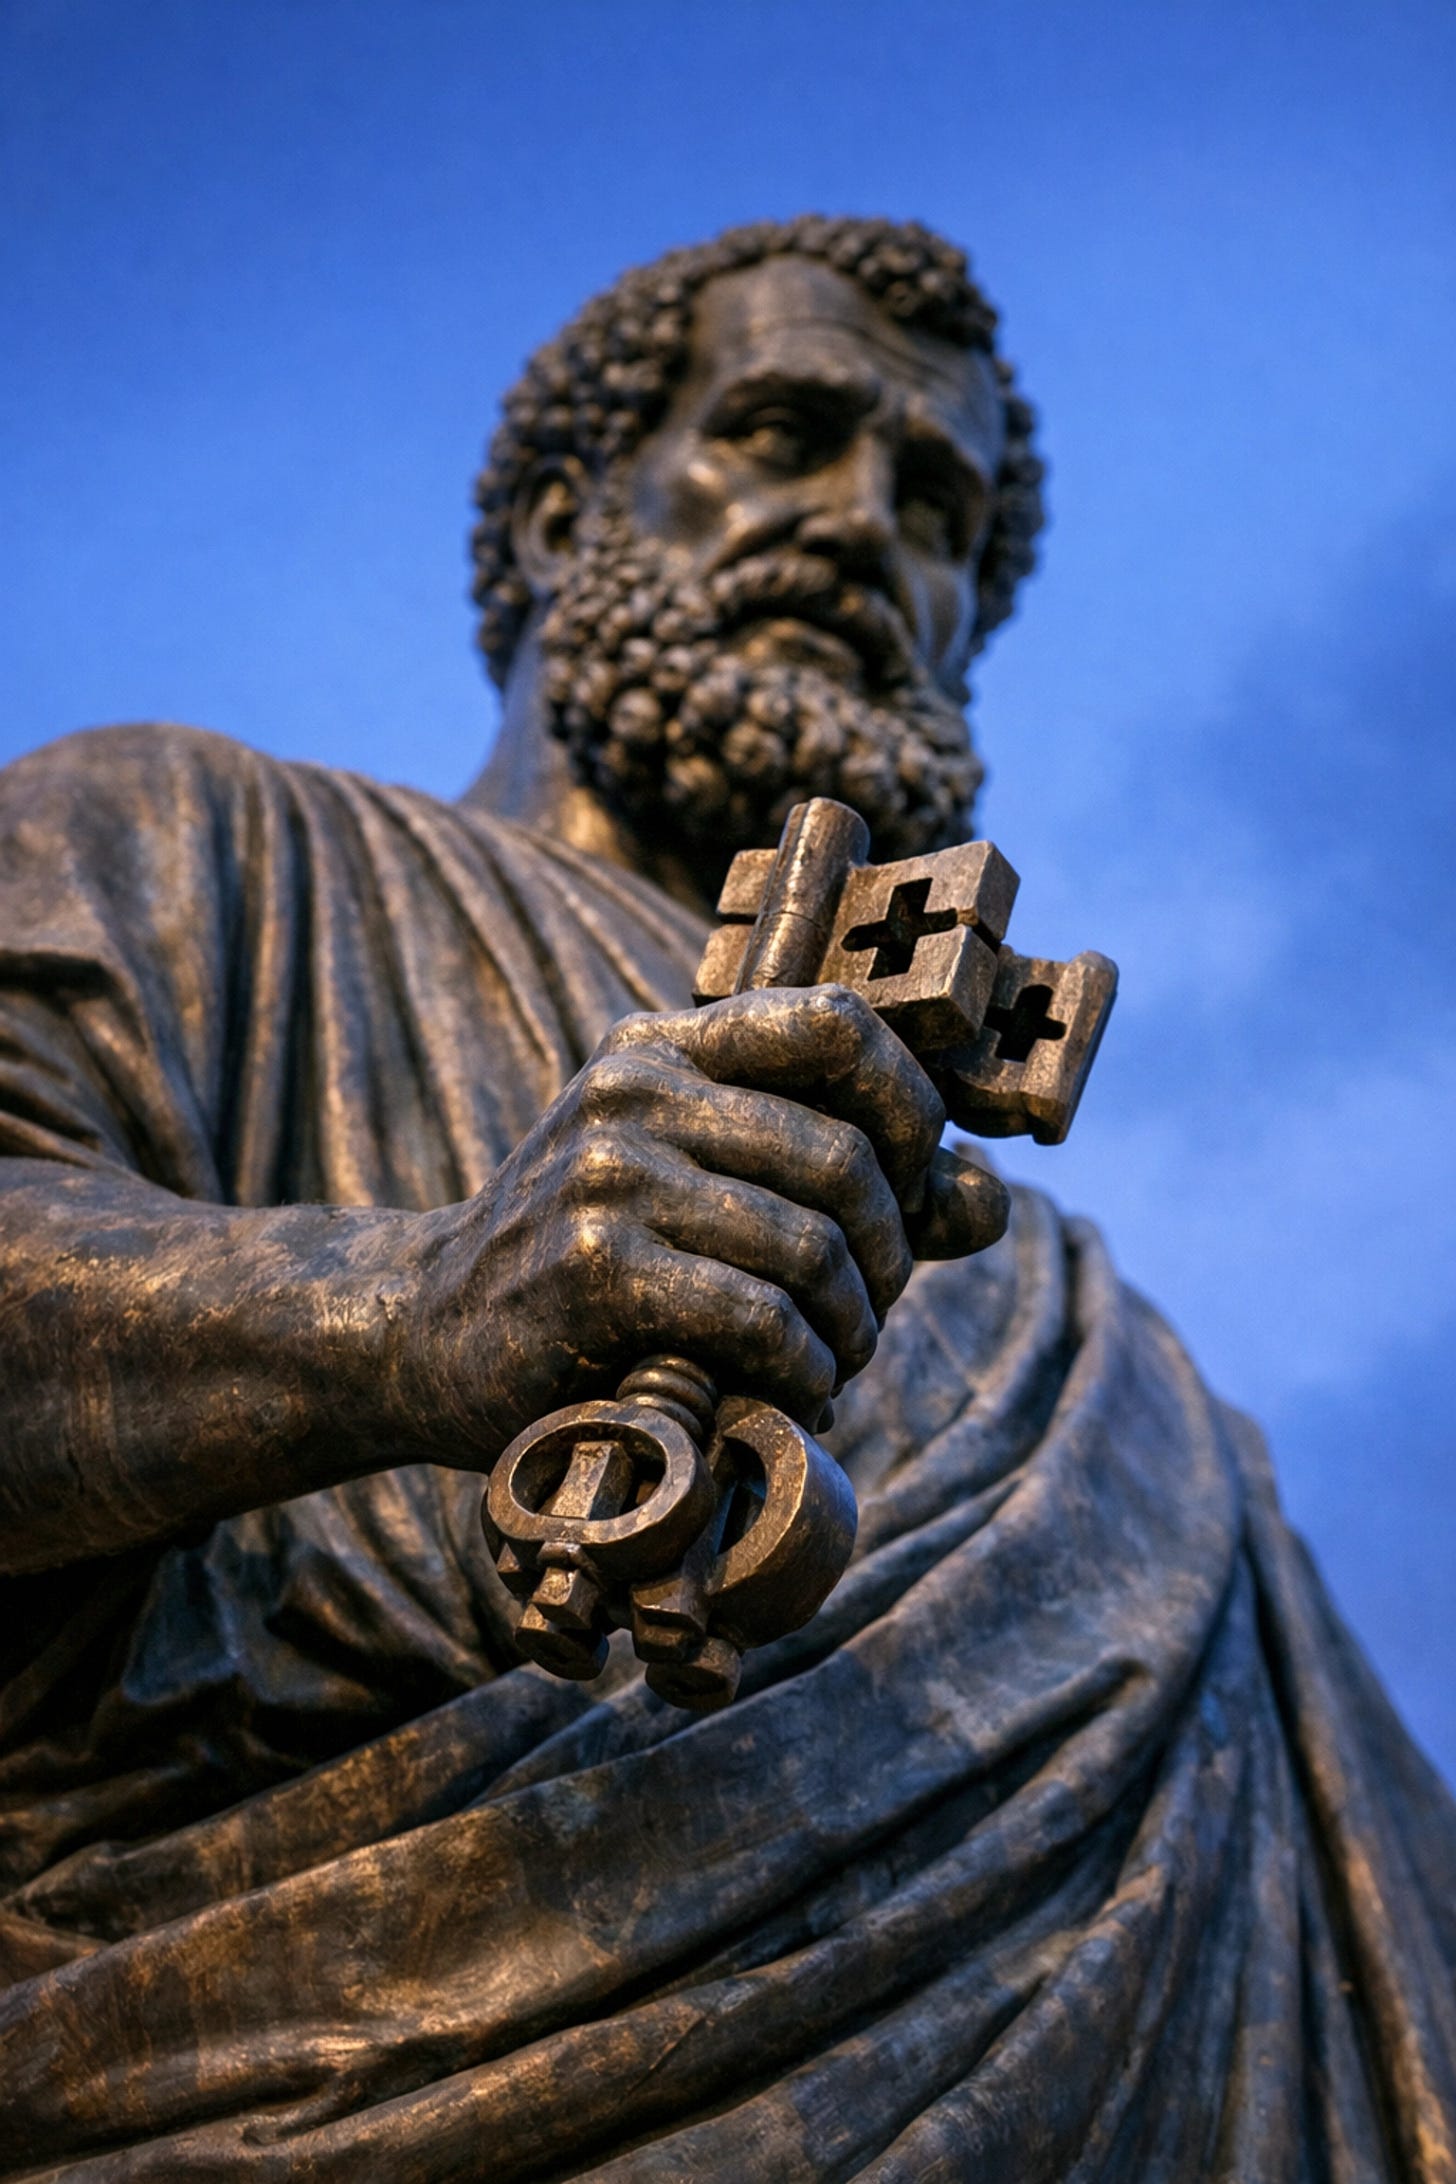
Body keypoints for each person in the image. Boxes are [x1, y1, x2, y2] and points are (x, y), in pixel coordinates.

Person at [0, 215, 1451, 2180]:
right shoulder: (190, 843)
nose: (859, 523)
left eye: (930, 502)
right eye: (779, 432)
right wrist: (411, 1312)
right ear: (551, 524)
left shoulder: (1095, 1355)